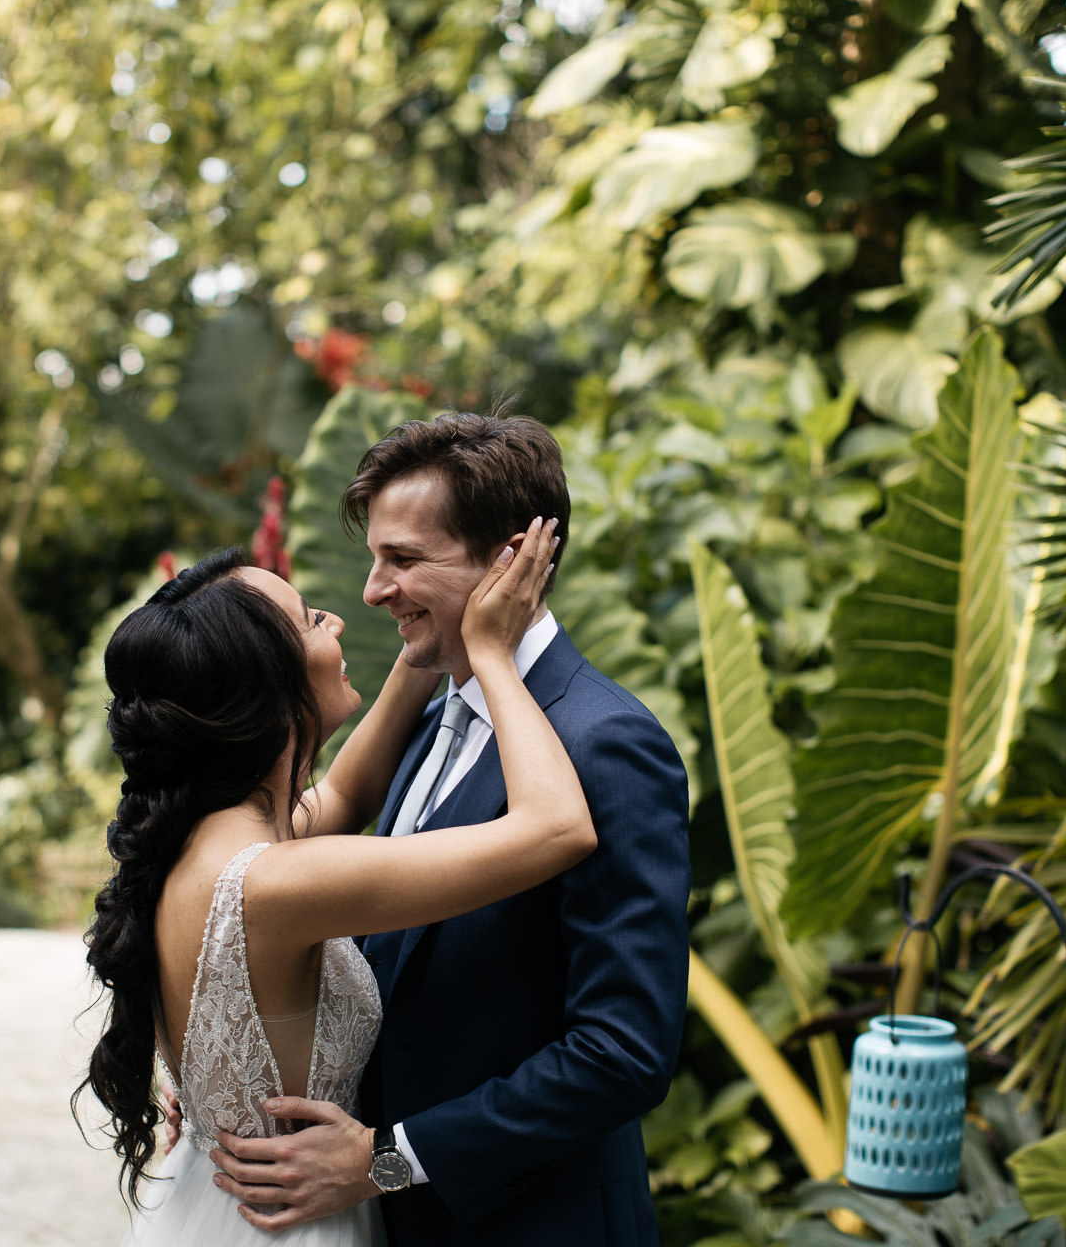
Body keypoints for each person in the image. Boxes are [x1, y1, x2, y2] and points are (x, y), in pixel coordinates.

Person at [206, 412, 691, 1245]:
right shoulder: (432, 724)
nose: (371, 592)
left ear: (510, 561)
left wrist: (384, 1162)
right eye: (374, 559)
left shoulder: (606, 744)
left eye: (403, 560)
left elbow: (623, 1053)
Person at [79, 515, 590, 1247]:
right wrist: (493, 656)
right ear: (271, 682)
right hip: (288, 1227)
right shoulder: (277, 882)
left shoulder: (203, 840)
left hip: (218, 1205)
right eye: (312, 620)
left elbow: (348, 792)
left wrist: (431, 630)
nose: (343, 618)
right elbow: (557, 827)